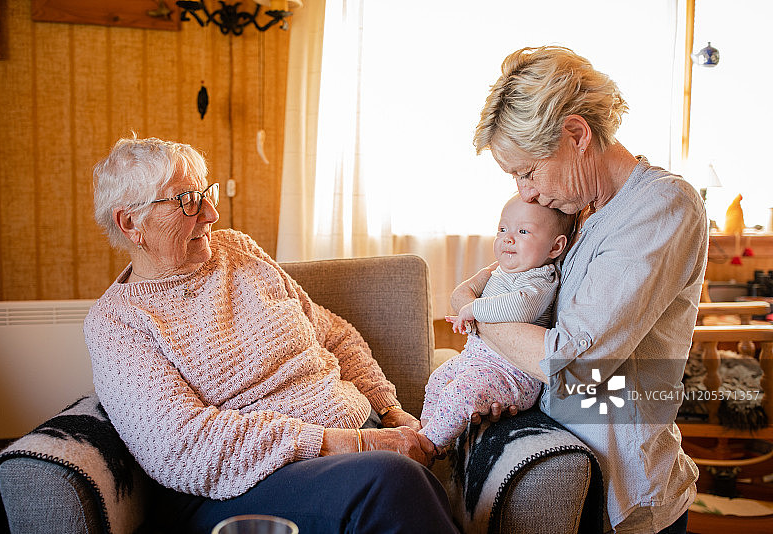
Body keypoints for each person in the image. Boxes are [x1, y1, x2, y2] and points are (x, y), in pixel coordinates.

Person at [84, 136, 457, 534]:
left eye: (206, 194)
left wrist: (389, 410)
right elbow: (184, 447)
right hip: (246, 483)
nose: (210, 213)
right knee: (395, 483)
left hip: (360, 441)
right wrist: (360, 445)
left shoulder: (238, 251)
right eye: (188, 201)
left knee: (413, 480)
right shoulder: (116, 323)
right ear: (131, 223)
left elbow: (334, 335)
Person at [469, 46, 708, 534]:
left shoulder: (661, 205)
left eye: (528, 172)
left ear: (576, 134)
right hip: (570, 469)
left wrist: (475, 314)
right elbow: (522, 305)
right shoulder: (576, 213)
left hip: (629, 495)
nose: (525, 193)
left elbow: (573, 363)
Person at [419, 195, 573, 448]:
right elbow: (464, 292)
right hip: (477, 360)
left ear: (555, 247)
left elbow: (519, 308)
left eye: (523, 231)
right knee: (437, 379)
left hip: (512, 372)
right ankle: (424, 429)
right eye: (502, 229)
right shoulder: (501, 270)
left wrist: (473, 309)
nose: (507, 238)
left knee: (459, 394)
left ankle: (428, 445)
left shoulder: (540, 279)